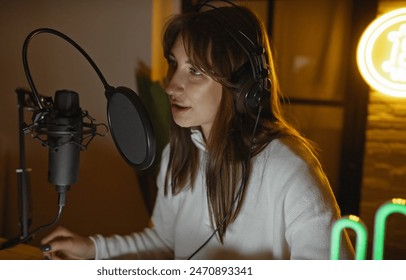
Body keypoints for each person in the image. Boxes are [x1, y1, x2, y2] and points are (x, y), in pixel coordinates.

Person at [40, 2, 354, 260]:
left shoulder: (289, 168)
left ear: (245, 88)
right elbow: (165, 241)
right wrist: (94, 249)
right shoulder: (178, 153)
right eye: (174, 65)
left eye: (195, 71)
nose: (172, 85)